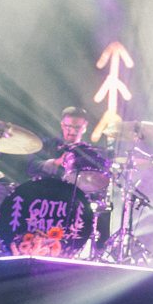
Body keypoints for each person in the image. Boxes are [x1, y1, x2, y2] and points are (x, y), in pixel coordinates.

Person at [27, 106, 111, 252]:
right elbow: (31, 168)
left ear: (84, 127)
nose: (71, 131)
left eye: (77, 127)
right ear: (62, 125)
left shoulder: (88, 152)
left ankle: (95, 250)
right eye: (68, 126)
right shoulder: (46, 144)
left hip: (75, 202)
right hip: (47, 202)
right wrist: (56, 162)